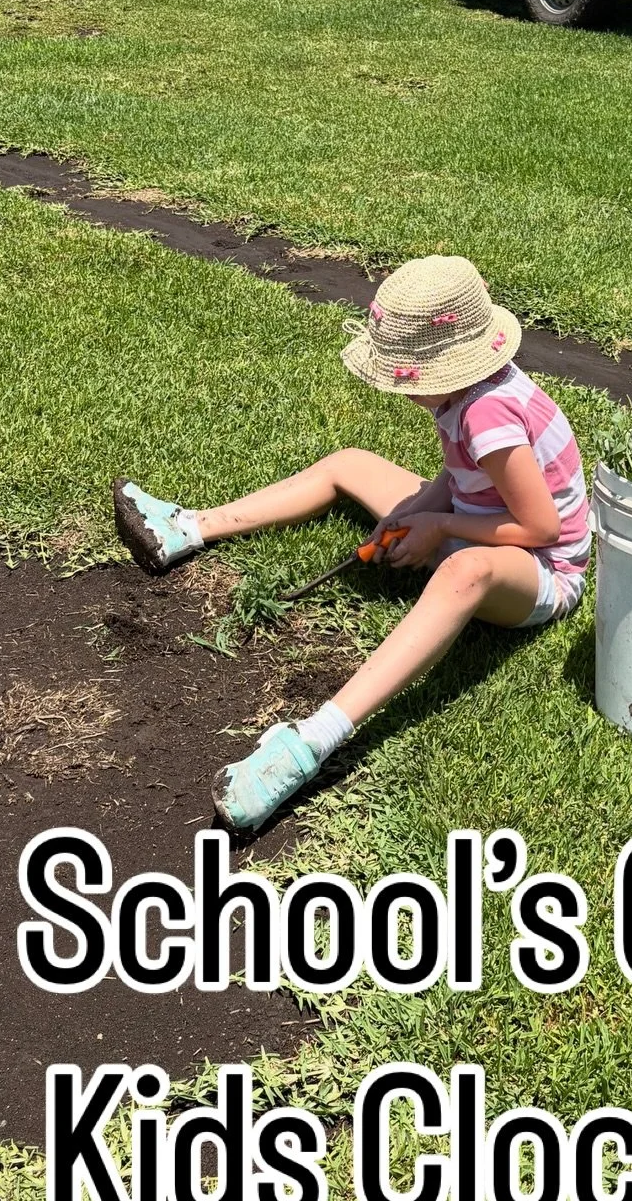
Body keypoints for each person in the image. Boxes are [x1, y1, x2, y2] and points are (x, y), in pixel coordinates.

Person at [112, 256, 590, 832]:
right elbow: (467, 478)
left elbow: (542, 530)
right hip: (486, 526)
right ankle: (188, 527)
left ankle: (313, 742)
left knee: (464, 573)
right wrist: (421, 508)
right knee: (349, 464)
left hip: (542, 571)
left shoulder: (487, 413)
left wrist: (440, 528)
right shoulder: (471, 391)